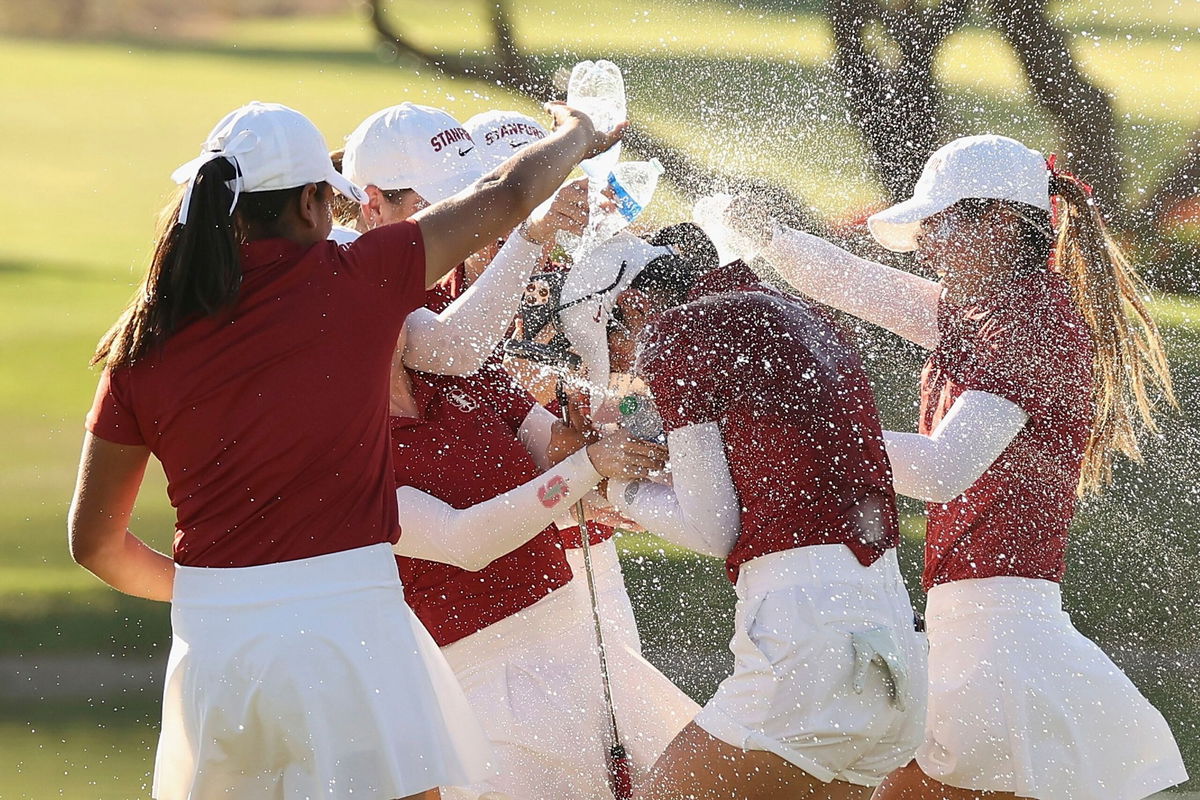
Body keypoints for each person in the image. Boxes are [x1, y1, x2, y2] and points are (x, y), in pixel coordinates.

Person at [68, 99, 623, 800]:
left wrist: (223, 596)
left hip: (214, 651)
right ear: (310, 204)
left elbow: (95, 544)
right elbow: (505, 194)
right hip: (346, 633)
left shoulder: (143, 342)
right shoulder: (355, 276)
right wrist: (576, 133)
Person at [728, 134, 1187, 800]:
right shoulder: (988, 313)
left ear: (1000, 224)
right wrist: (769, 236)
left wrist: (796, 440)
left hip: (997, 642)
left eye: (937, 222)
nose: (925, 242)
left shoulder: (1025, 326)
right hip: (976, 635)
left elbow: (943, 470)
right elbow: (852, 283)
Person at [607, 224, 927, 800]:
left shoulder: (678, 330)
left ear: (633, 304)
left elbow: (714, 529)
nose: (626, 367)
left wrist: (619, 494)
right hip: (891, 639)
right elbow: (772, 471)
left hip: (807, 641)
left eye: (614, 340)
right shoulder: (792, 312)